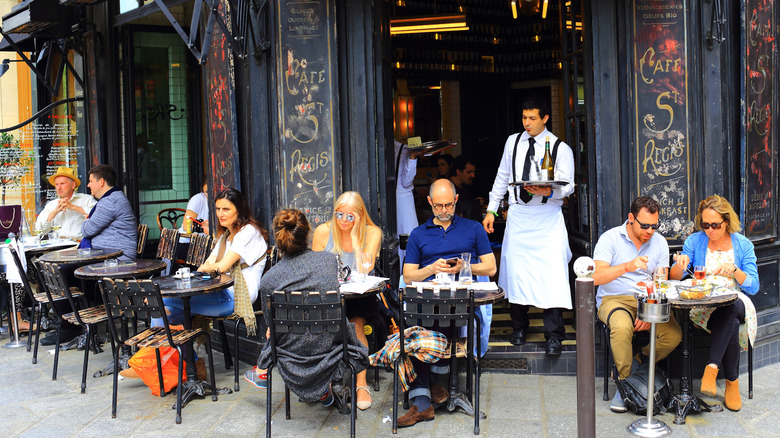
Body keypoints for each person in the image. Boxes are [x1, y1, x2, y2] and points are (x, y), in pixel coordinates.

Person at [244, 209, 368, 408]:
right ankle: (322, 389)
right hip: (331, 351)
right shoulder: (328, 262)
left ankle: (261, 371)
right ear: (308, 233)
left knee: (273, 332)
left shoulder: (269, 279)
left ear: (278, 237)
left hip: (291, 357)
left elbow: (271, 326)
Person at [399, 179, 496, 427]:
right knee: (417, 323)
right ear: (429, 202)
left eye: (448, 205)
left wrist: (465, 266)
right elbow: (408, 274)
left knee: (440, 317)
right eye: (438, 205)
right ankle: (430, 393)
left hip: (459, 299)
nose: (444, 210)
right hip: (427, 299)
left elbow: (491, 267)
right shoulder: (419, 234)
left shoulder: (473, 228)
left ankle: (429, 392)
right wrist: (430, 267)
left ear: (456, 201)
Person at [482, 95, 575, 355]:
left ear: (545, 118)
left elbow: (568, 186)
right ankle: (518, 327)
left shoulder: (560, 148)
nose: (527, 123)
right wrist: (491, 209)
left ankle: (554, 335)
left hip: (547, 219)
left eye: (532, 118)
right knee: (516, 274)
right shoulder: (513, 142)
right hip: (520, 216)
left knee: (552, 276)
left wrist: (547, 191)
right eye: (524, 117)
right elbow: (502, 177)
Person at [592, 196, 681, 413]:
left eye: (654, 225)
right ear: (631, 218)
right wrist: (627, 266)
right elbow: (595, 277)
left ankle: (638, 361)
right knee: (622, 328)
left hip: (647, 298)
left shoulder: (659, 242)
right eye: (645, 225)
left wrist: (650, 309)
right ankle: (626, 385)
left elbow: (661, 280)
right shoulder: (610, 238)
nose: (650, 231)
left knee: (673, 335)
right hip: (614, 297)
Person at [670, 195, 759, 411]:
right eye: (705, 224)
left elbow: (754, 286)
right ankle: (731, 383)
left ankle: (711, 368)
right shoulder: (695, 241)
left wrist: (735, 271)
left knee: (729, 304)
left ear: (727, 221)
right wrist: (681, 264)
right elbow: (674, 278)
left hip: (736, 300)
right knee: (729, 319)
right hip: (702, 305)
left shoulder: (743, 244)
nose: (709, 230)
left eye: (715, 225)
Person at [312, 191, 382, 410]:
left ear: (360, 216)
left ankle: (361, 383)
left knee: (355, 325)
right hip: (331, 295)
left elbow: (365, 269)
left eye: (350, 217)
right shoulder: (323, 231)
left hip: (360, 295)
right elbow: (314, 271)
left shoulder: (372, 232)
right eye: (339, 214)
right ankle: (324, 380)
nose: (343, 221)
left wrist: (354, 239)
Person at [80, 165, 138, 261]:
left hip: (117, 257)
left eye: (91, 181)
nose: (88, 185)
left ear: (101, 182)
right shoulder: (113, 197)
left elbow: (87, 230)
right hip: (107, 254)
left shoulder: (110, 201)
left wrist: (86, 221)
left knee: (64, 270)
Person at [34, 166, 96, 240]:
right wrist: (54, 212)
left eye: (62, 183)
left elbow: (98, 216)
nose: (59, 187)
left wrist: (73, 207)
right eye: (56, 184)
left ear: (73, 185)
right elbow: (39, 230)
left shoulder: (86, 200)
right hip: (57, 247)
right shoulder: (51, 205)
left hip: (79, 246)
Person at [395, 140, 422, 261]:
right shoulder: (402, 149)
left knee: (400, 237)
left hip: (398, 198)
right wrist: (413, 157)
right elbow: (406, 181)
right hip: (404, 199)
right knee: (408, 235)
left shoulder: (397, 148)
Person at [449, 155, 482, 221]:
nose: (473, 175)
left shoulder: (468, 187)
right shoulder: (446, 187)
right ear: (458, 172)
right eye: (469, 172)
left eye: (473, 172)